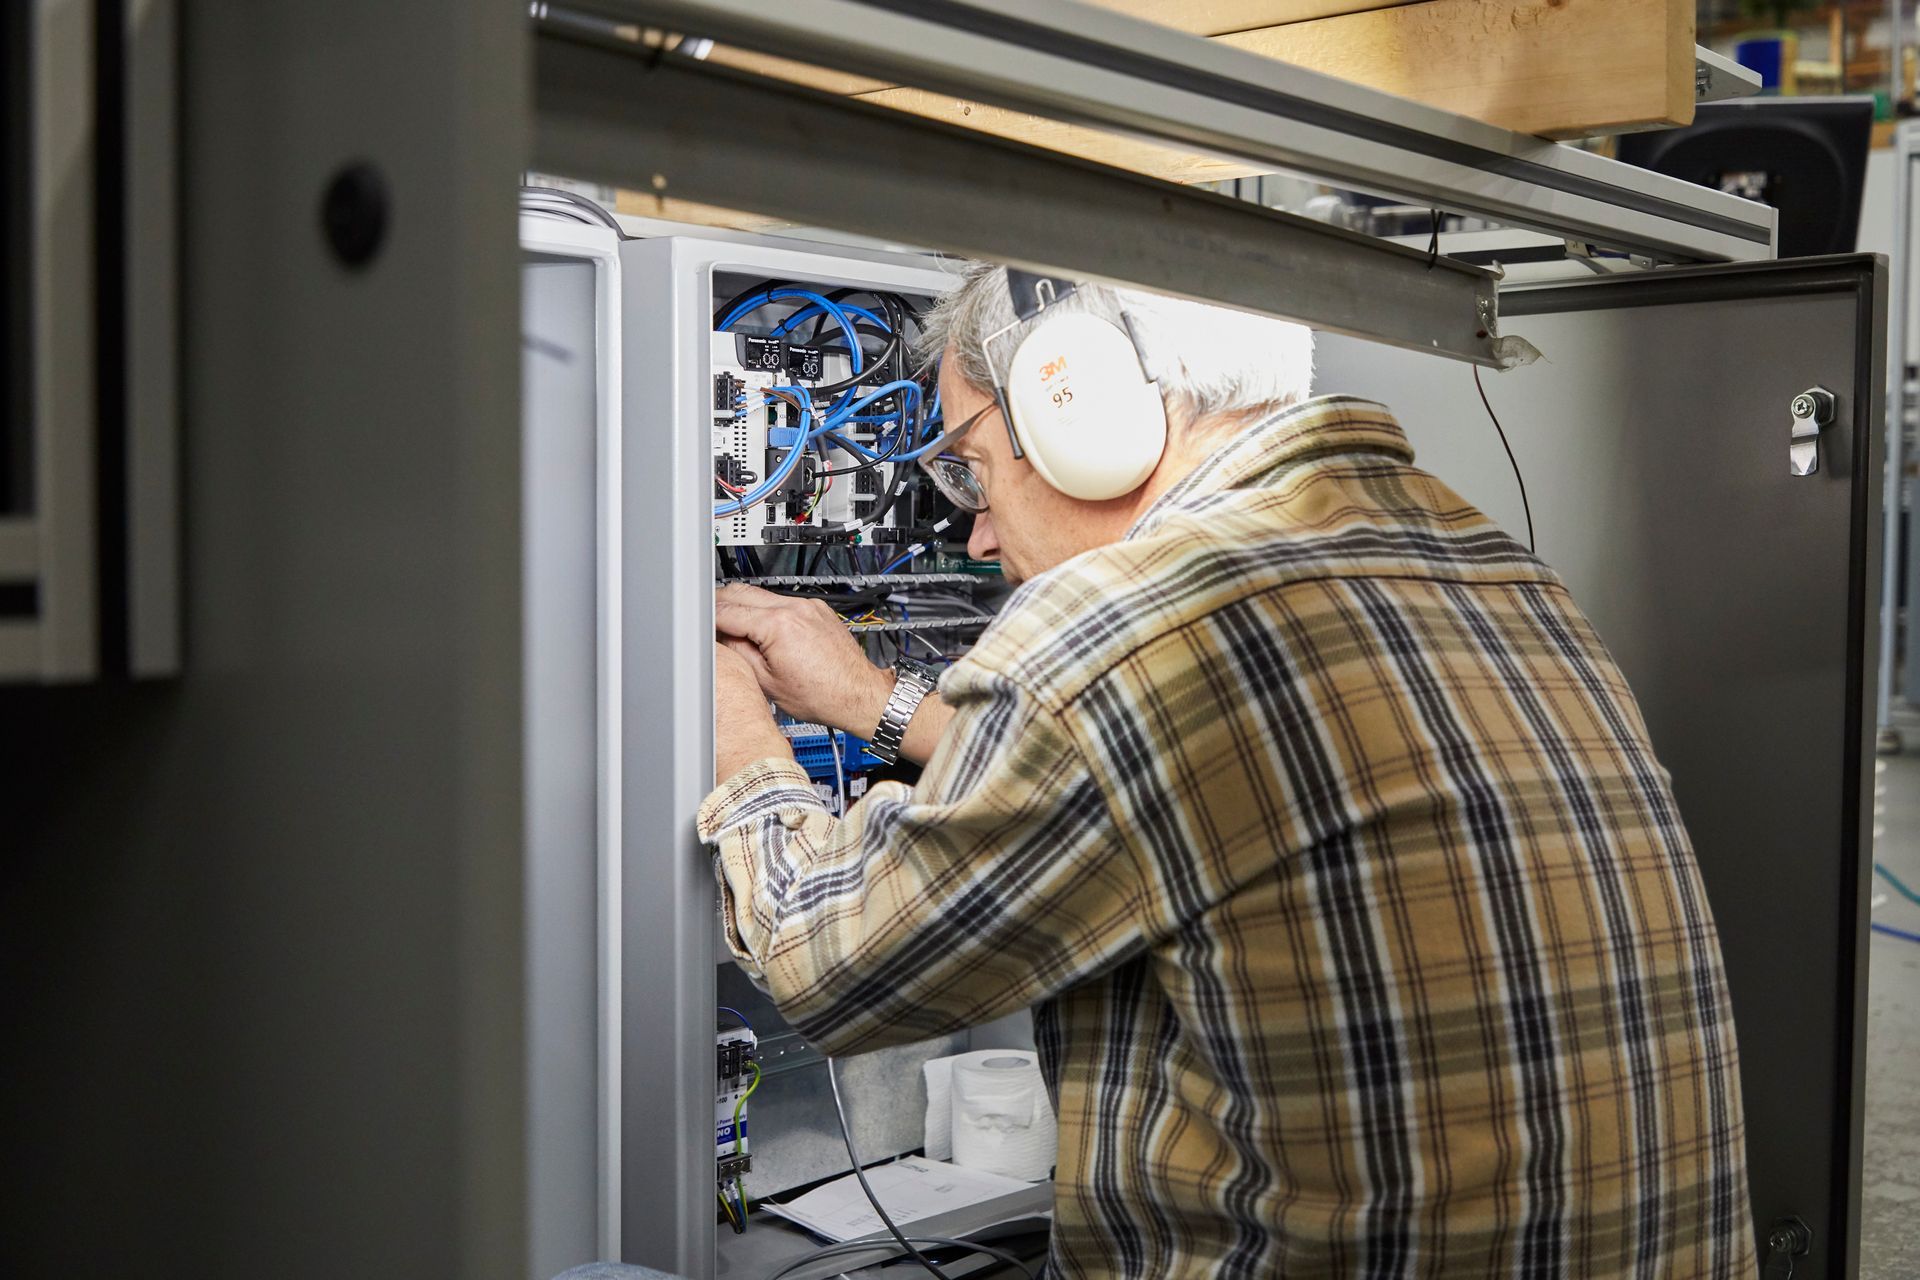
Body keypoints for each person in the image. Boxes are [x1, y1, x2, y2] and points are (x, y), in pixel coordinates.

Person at [705, 264, 1755, 1278]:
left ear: (1078, 410)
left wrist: (731, 720)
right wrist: (869, 701)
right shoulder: (1496, 569)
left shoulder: (1125, 628)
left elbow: (828, 960)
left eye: (970, 468)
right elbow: (1180, 792)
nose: (973, 534)